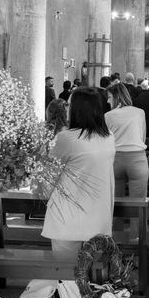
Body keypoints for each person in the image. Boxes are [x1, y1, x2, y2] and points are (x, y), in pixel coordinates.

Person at [41, 87, 115, 255]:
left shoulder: (66, 138)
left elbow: (47, 182)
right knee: (95, 276)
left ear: (77, 110)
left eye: (69, 105)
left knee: (67, 277)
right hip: (98, 218)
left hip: (67, 218)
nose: (67, 109)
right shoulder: (109, 136)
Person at [104, 84, 148, 233]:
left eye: (109, 98)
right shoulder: (139, 112)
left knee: (115, 203)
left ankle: (116, 239)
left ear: (116, 97)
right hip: (137, 158)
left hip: (116, 159)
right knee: (138, 203)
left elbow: (106, 140)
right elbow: (143, 136)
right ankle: (137, 238)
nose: (108, 102)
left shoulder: (108, 116)